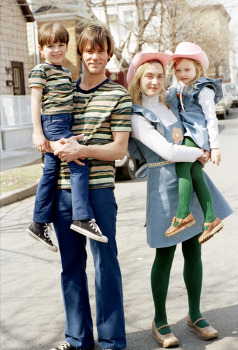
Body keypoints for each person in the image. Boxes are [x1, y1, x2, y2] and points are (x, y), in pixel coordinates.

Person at [127, 51, 232, 348]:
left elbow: (200, 103)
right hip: (163, 184)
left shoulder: (172, 100)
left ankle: (195, 315)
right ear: (138, 78)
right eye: (149, 75)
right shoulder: (137, 115)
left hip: (190, 181)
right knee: (165, 253)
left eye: (160, 76)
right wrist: (202, 153)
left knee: (193, 250)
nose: (155, 81)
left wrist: (209, 142)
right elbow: (168, 151)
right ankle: (159, 319)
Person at [48, 24, 132, 350]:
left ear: (109, 53)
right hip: (63, 191)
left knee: (105, 265)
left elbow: (119, 150)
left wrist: (82, 150)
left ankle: (111, 341)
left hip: (98, 193)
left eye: (101, 50)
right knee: (71, 267)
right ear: (80, 53)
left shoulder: (118, 95)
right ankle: (77, 339)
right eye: (89, 50)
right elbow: (49, 131)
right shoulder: (64, 92)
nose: (95, 56)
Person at [26, 23, 107, 253]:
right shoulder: (41, 70)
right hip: (53, 122)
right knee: (79, 163)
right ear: (42, 48)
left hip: (65, 122)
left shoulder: (64, 72)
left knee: (50, 173)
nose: (57, 50)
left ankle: (39, 222)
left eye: (61, 45)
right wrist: (37, 131)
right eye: (51, 46)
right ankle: (82, 217)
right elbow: (35, 101)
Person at [165, 42, 224, 244]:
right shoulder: (179, 87)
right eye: (178, 69)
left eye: (187, 69)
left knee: (183, 167)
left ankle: (183, 214)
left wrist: (214, 147)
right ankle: (210, 219)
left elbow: (211, 119)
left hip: (196, 135)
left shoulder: (203, 89)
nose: (183, 73)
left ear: (198, 68)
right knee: (195, 173)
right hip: (186, 134)